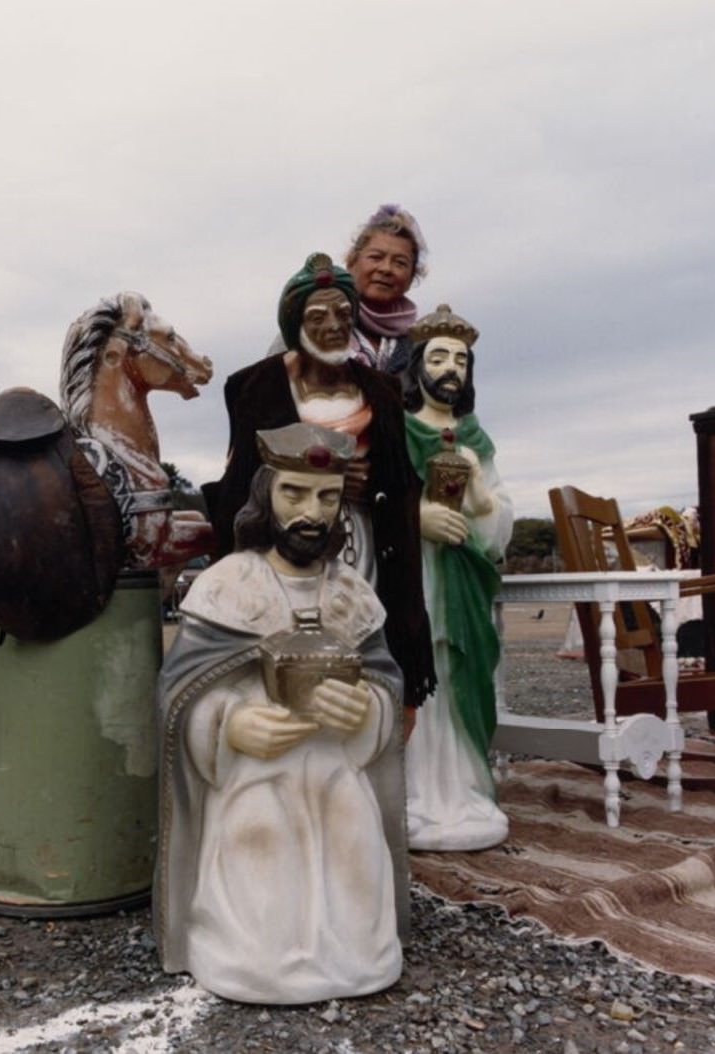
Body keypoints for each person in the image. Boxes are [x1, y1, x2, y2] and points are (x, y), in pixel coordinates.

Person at [156, 422, 407, 1003]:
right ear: (266, 495)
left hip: (335, 767)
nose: (311, 513)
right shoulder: (226, 586)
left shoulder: (356, 595)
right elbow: (180, 692)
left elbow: (384, 684)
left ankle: (359, 955)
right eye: (294, 493)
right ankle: (257, 960)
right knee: (260, 834)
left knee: (353, 836)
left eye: (326, 496)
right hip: (252, 774)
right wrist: (230, 722)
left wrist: (365, 710)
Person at [203, 252, 436, 725]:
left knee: (361, 631)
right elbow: (239, 478)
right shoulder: (253, 387)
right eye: (317, 316)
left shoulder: (381, 390)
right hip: (287, 539)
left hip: (366, 538)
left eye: (344, 315)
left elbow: (402, 477)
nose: (334, 325)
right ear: (294, 324)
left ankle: (367, 731)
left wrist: (373, 486)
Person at [400, 304, 514, 851]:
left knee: (461, 675)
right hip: (415, 576)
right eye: (439, 357)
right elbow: (377, 499)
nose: (450, 368)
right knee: (419, 675)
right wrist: (415, 517)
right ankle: (415, 795)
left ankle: (465, 791)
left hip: (462, 578)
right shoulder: (399, 430)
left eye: (461, 360)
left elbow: (497, 522)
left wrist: (479, 494)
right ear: (417, 365)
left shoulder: (475, 437)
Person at [344, 203, 429, 373]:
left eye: (400, 263)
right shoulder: (313, 326)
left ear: (412, 277)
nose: (386, 269)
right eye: (376, 257)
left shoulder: (425, 349)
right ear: (352, 262)